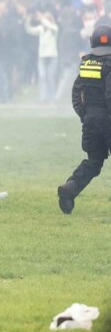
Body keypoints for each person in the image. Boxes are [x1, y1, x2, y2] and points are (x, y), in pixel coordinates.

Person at [57, 24, 111, 214]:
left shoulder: (86, 62)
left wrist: (84, 114)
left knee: (94, 161)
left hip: (90, 119)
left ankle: (70, 188)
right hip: (107, 118)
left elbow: (76, 92)